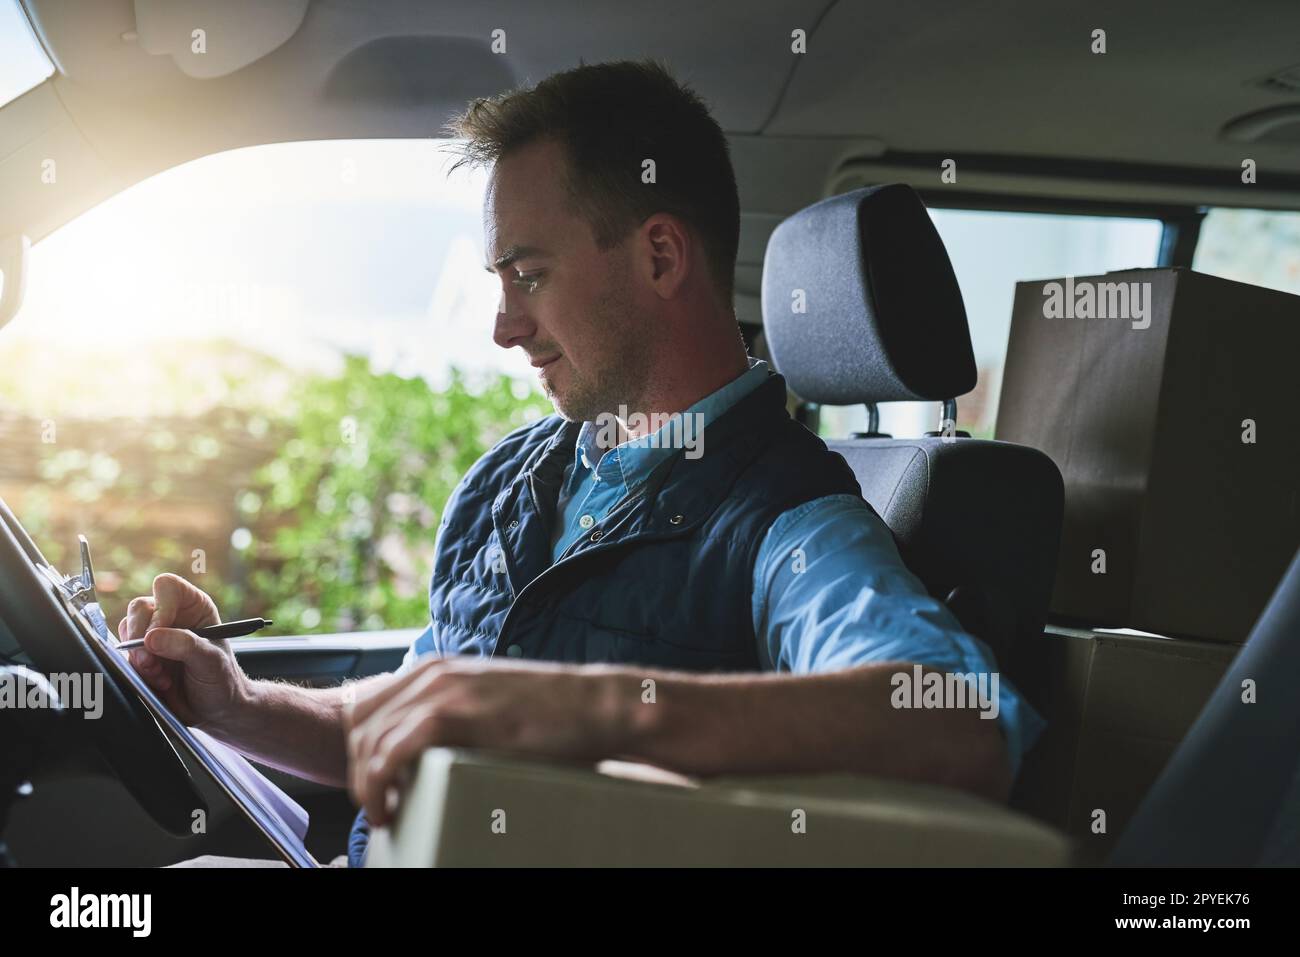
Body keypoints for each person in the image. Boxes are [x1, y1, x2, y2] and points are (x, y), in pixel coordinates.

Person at [122, 59, 1044, 867]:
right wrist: (235, 700)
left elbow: (961, 718)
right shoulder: (508, 481)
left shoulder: (787, 516)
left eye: (527, 274)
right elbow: (411, 713)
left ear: (658, 254)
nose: (502, 326)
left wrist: (600, 710)